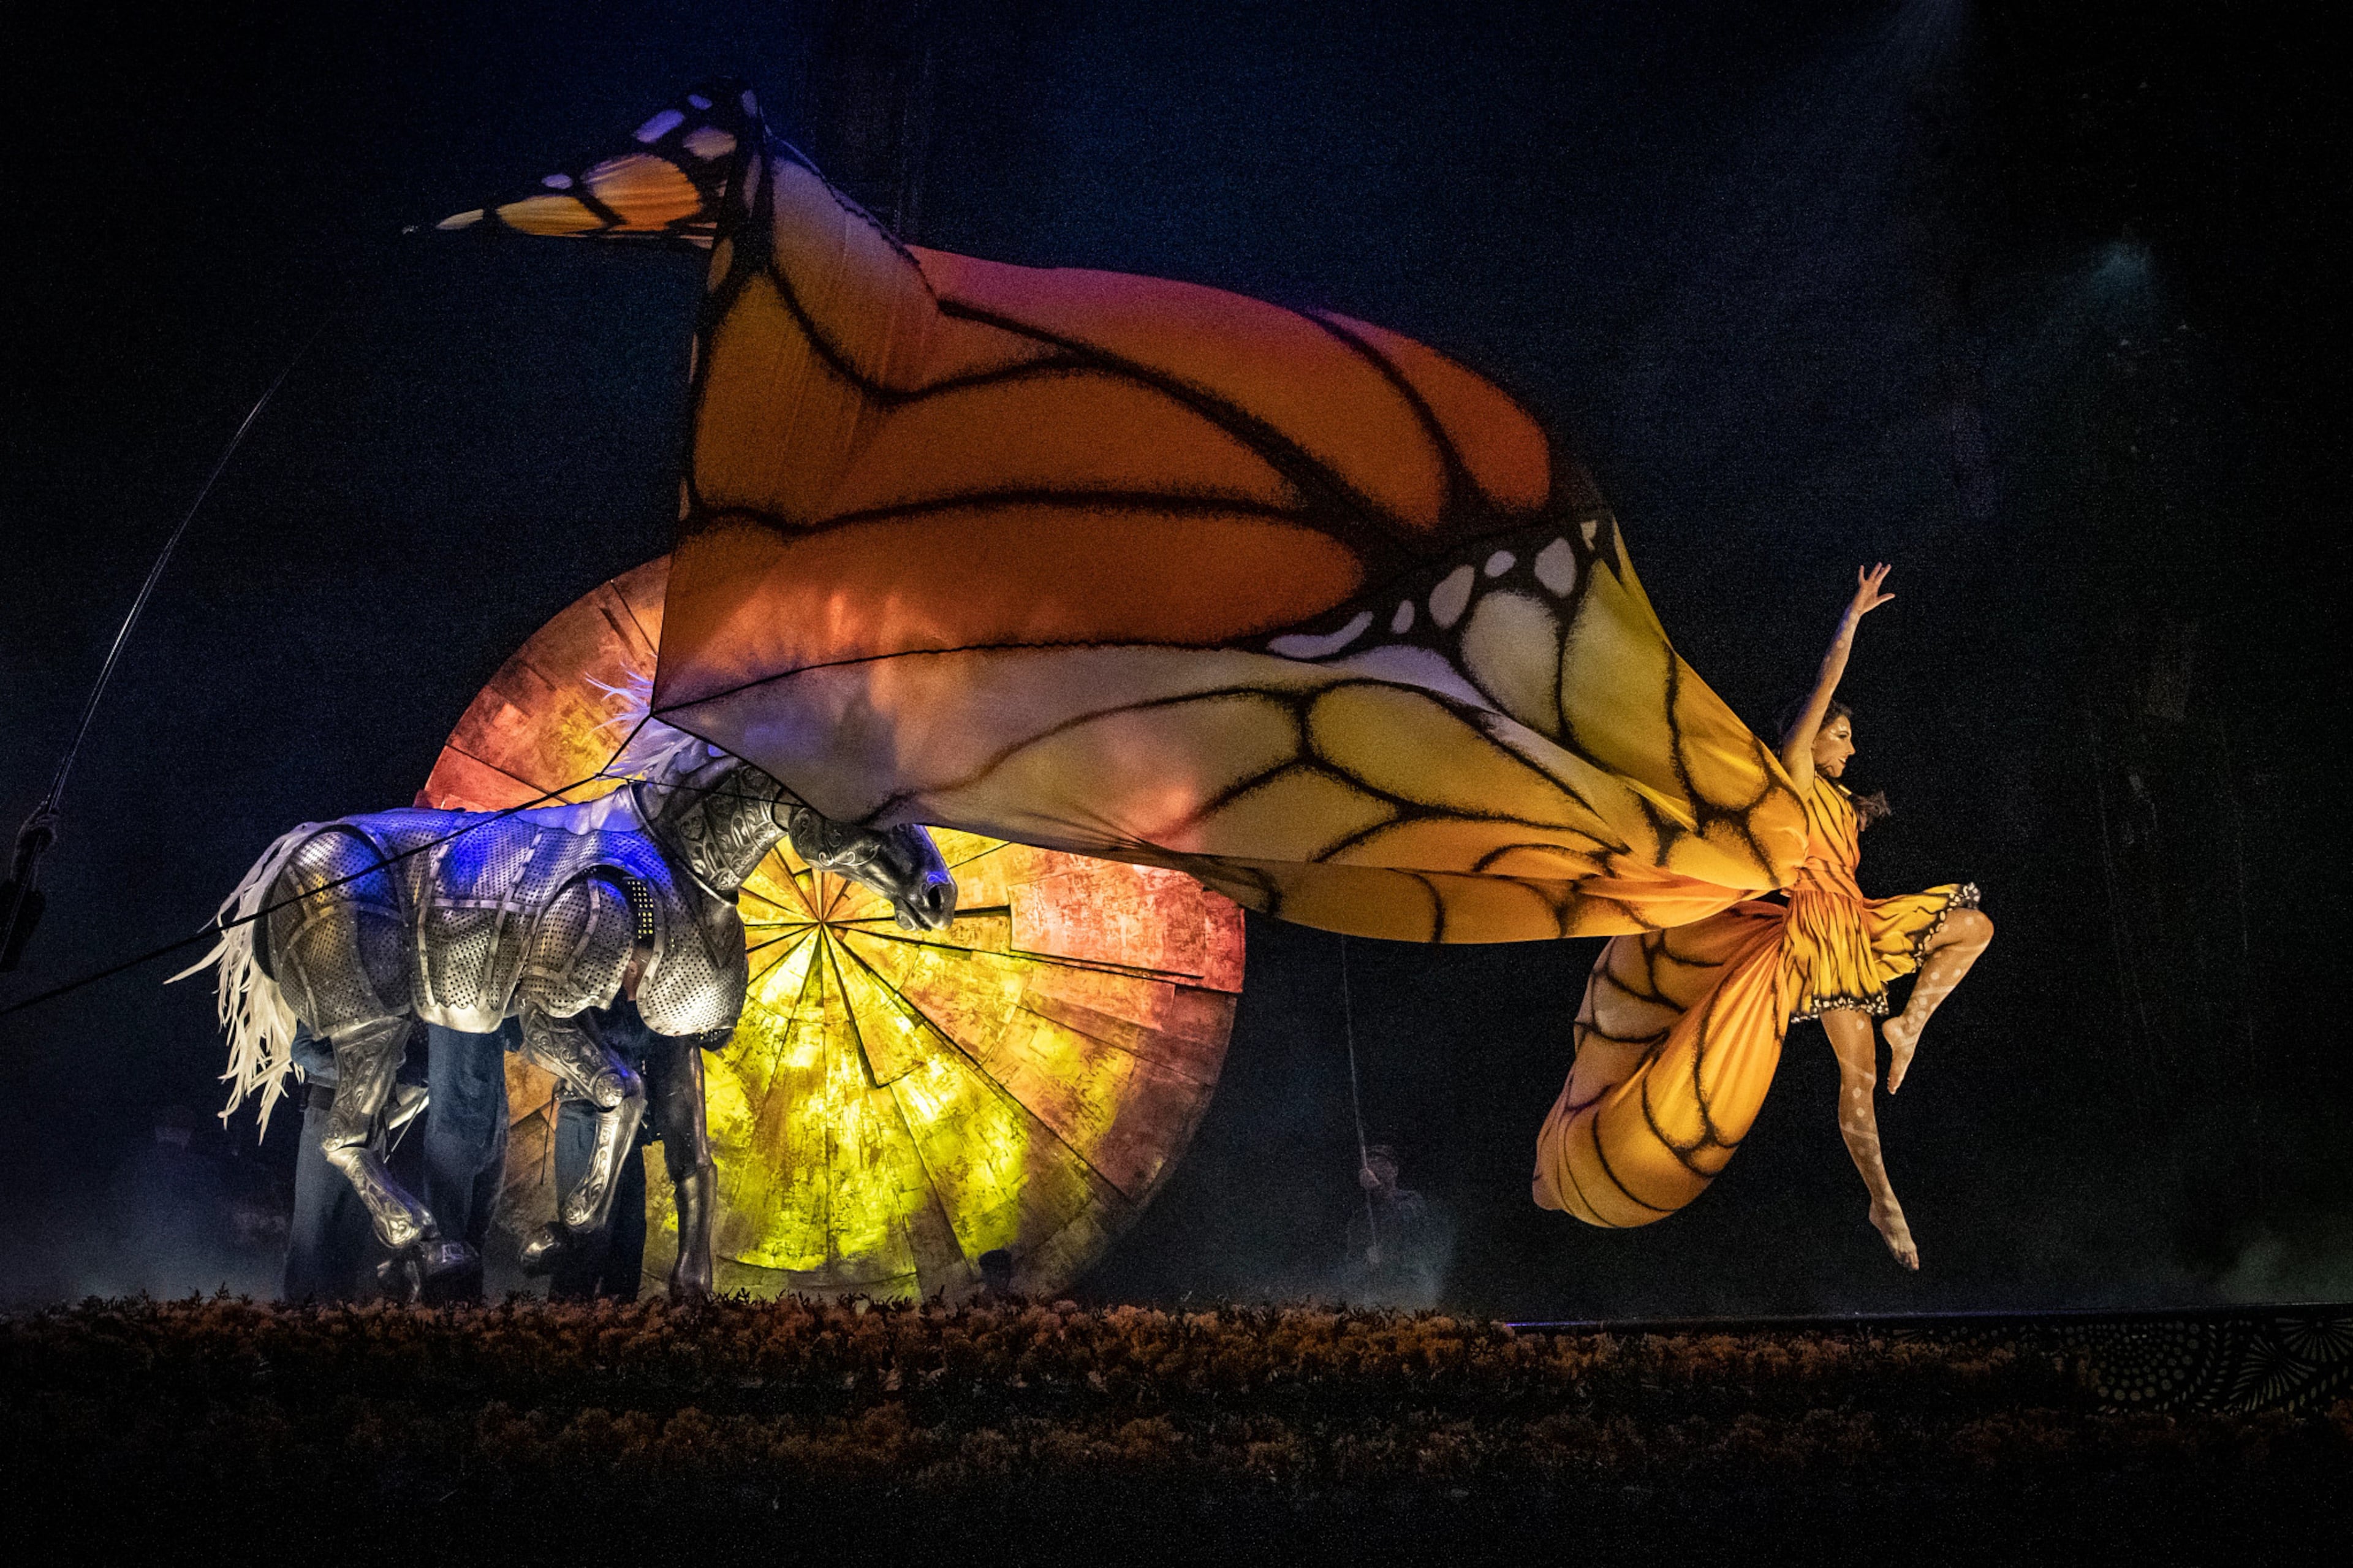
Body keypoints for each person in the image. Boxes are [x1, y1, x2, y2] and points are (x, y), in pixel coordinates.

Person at [1534, 566, 1994, 1268]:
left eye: (1846, 737)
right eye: (1839, 735)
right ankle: (1881, 1198)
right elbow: (1823, 686)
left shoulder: (1845, 804)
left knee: (1974, 927)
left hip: (1860, 920)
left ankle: (1911, 1023)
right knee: (1859, 1080)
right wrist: (1853, 619)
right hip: (1819, 935)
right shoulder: (1799, 779)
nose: (1848, 746)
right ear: (1810, 743)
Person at [1344, 1143, 1451, 1306]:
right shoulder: (1361, 1216)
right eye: (1370, 1163)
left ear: (1395, 1171)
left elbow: (1406, 1222)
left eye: (1381, 1162)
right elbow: (1352, 1259)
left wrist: (1379, 1189)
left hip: (1410, 1285)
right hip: (1379, 1290)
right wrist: (1366, 1259)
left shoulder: (1411, 1200)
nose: (1374, 1167)